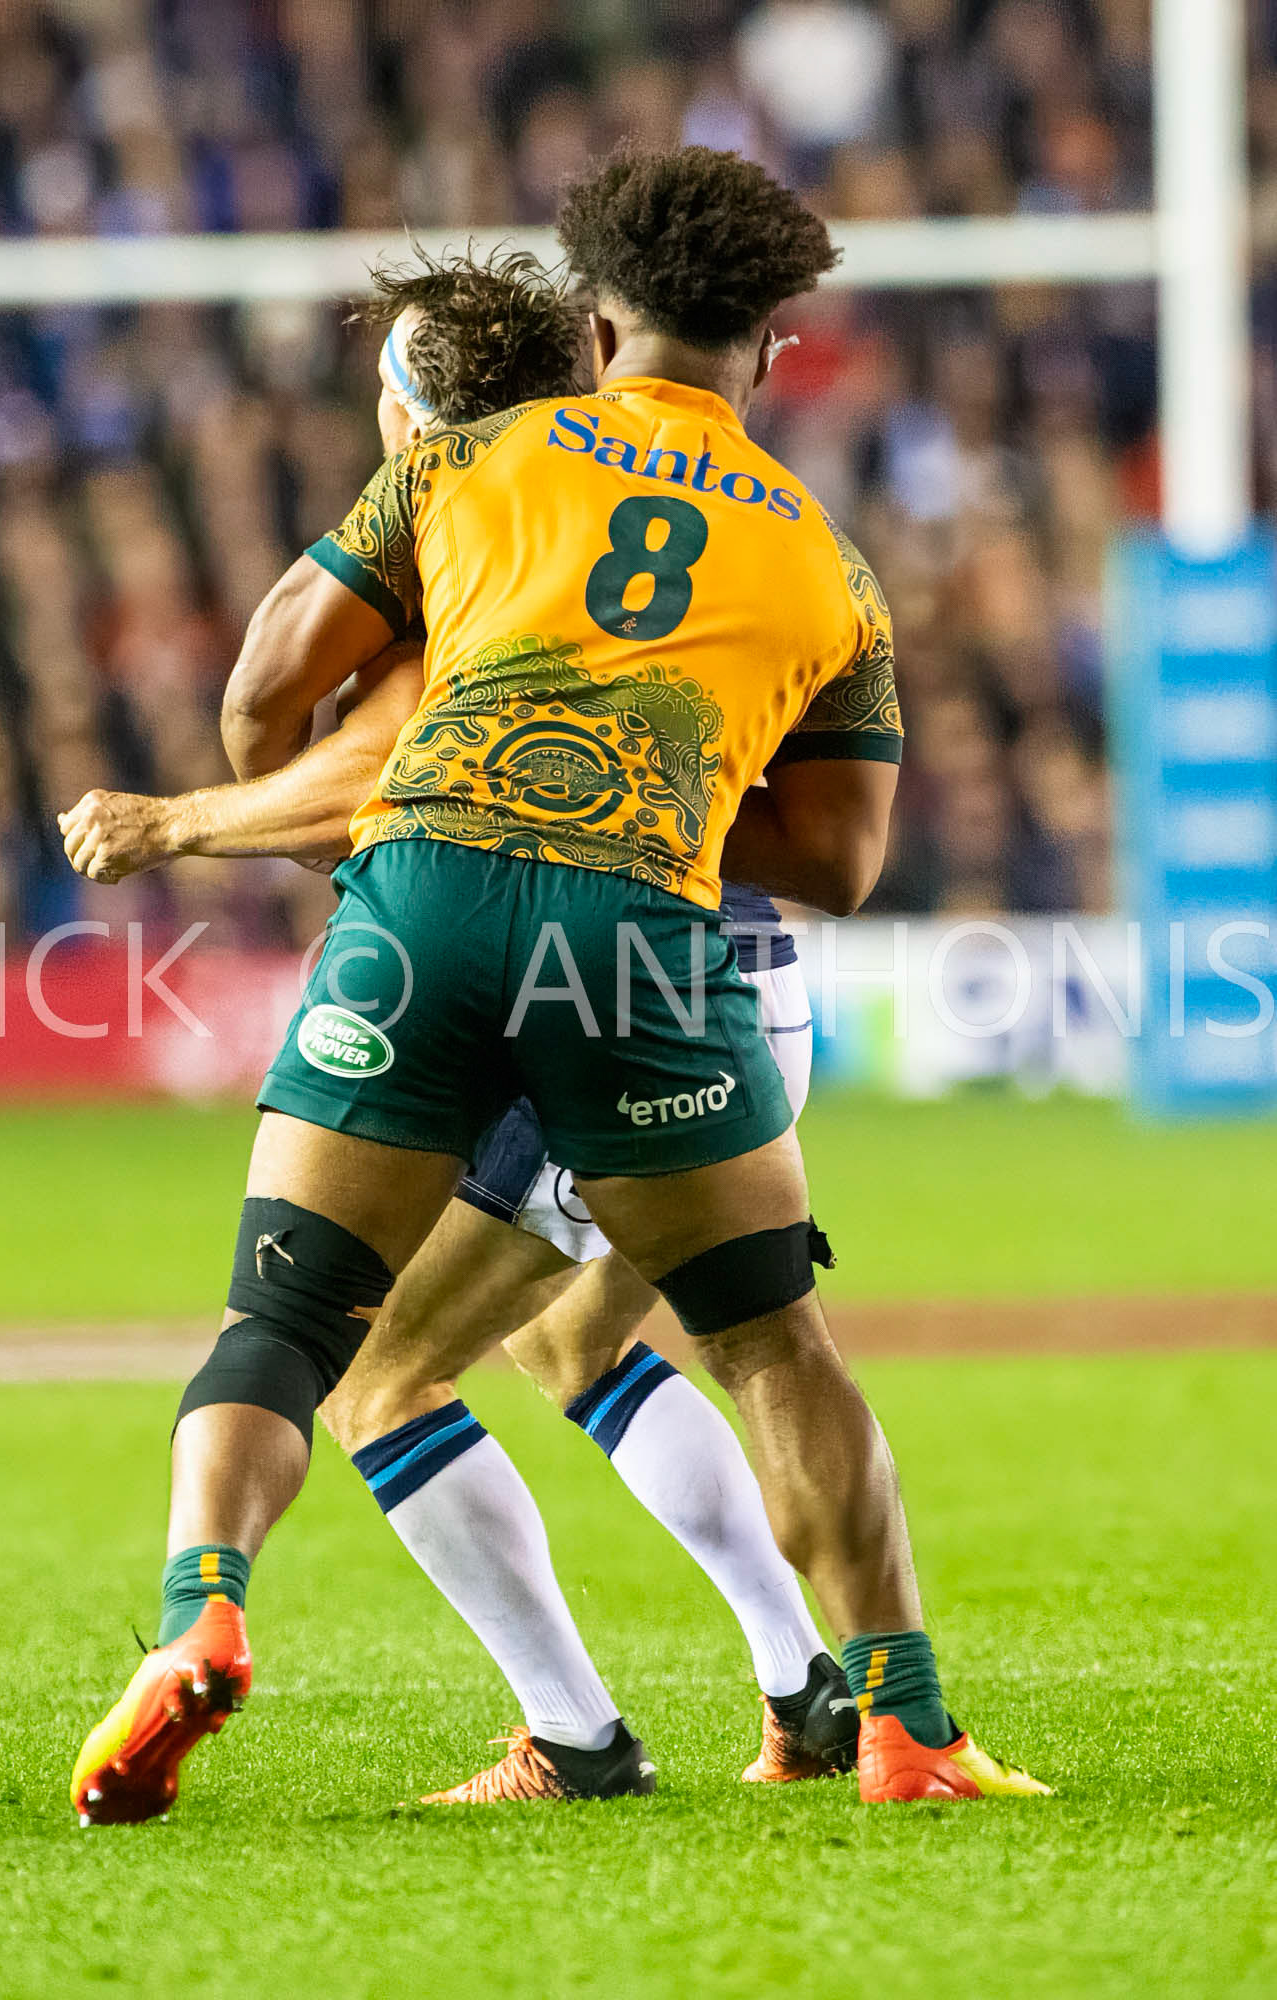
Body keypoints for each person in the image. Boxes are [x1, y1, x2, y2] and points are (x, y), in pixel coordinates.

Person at [66, 146, 1048, 1822]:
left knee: (303, 1332)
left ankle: (201, 1610)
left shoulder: (474, 454)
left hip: (424, 896)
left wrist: (309, 823)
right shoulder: (828, 566)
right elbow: (839, 865)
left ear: (595, 322)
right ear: (773, 350)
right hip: (651, 937)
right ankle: (899, 1726)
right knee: (764, 1344)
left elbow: (270, 670)